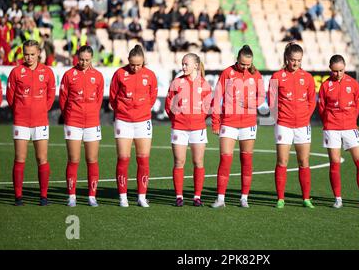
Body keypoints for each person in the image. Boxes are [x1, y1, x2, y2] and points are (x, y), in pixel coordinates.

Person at [210, 45, 266, 208]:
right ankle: (220, 199)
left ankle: (244, 198)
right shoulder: (227, 73)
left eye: (248, 64)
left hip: (248, 123)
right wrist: (215, 121)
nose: (245, 67)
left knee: (246, 160)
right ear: (237, 60)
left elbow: (262, 97)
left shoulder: (256, 75)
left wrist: (250, 103)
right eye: (242, 64)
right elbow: (217, 97)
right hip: (229, 122)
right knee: (225, 159)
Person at [318, 55, 359, 209]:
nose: (338, 74)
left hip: (350, 127)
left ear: (345, 67)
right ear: (330, 69)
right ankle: (338, 199)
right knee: (335, 164)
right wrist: (330, 121)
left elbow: (357, 102)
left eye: (341, 70)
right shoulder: (325, 86)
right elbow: (322, 108)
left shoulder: (353, 83)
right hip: (332, 128)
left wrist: (351, 119)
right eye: (335, 71)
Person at [6, 40, 56, 206]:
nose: (29, 57)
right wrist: (21, 110)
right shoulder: (16, 72)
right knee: (20, 158)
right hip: (21, 121)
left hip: (40, 121)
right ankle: (18, 197)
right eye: (26, 54)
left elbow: (50, 97)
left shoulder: (47, 72)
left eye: (32, 54)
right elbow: (11, 97)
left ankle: (43, 196)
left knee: (42, 158)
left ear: (39, 53)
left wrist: (41, 109)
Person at [109, 45, 158, 207]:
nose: (135, 68)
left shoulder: (150, 75)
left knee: (143, 160)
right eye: (132, 64)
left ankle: (141, 197)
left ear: (143, 62)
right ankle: (123, 197)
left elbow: (152, 97)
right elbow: (113, 98)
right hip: (123, 121)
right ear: (128, 61)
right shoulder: (119, 74)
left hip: (143, 122)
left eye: (139, 64)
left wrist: (140, 110)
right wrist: (124, 111)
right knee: (123, 159)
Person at [268, 43, 316, 209]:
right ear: (286, 59)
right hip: (284, 125)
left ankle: (306, 198)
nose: (296, 63)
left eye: (299, 60)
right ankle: (280, 198)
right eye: (293, 60)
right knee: (282, 160)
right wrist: (279, 118)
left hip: (303, 125)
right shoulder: (276, 76)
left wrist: (304, 116)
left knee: (303, 161)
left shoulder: (308, 78)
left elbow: (312, 101)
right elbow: (272, 101)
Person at [165, 53, 212, 207]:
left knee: (198, 162)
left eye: (186, 64)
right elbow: (169, 105)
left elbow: (208, 107)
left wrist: (198, 119)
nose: (183, 67)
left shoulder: (204, 84)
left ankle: (197, 197)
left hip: (198, 128)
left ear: (196, 66)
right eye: (182, 64)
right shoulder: (176, 82)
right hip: (179, 128)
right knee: (179, 161)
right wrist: (177, 120)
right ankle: (179, 196)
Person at [59, 45, 104, 207]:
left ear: (91, 59)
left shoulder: (98, 76)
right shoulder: (69, 75)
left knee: (92, 159)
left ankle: (92, 196)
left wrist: (91, 113)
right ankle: (71, 195)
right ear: (76, 58)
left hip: (92, 122)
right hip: (73, 122)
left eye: (87, 60)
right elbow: (63, 100)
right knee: (74, 159)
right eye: (81, 59)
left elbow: (99, 100)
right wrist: (70, 115)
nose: (83, 62)